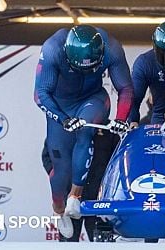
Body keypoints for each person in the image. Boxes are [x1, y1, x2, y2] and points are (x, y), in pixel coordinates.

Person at [34, 25, 133, 238]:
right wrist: (62, 119)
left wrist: (120, 119)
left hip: (92, 98)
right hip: (61, 105)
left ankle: (75, 197)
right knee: (61, 172)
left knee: (86, 130)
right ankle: (60, 208)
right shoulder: (53, 48)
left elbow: (125, 88)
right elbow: (40, 93)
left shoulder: (112, 48)